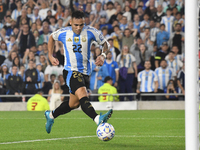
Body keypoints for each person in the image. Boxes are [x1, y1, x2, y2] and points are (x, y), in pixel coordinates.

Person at [44, 11, 113, 134]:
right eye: (76, 25)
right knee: (83, 94)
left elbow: (105, 44)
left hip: (85, 73)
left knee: (74, 104)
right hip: (71, 71)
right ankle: (98, 119)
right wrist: (50, 55)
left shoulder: (91, 31)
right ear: (70, 22)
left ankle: (51, 116)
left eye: (81, 25)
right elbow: (51, 38)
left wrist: (102, 55)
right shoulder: (64, 32)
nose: (78, 28)